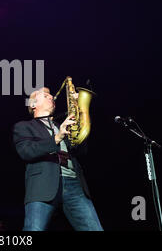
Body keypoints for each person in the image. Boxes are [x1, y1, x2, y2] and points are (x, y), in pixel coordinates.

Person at [12, 87, 103, 231]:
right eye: (46, 95)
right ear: (33, 104)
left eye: (52, 95)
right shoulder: (24, 126)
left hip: (74, 184)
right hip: (42, 186)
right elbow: (26, 152)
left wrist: (80, 118)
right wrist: (57, 137)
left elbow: (81, 152)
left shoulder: (62, 126)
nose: (52, 97)